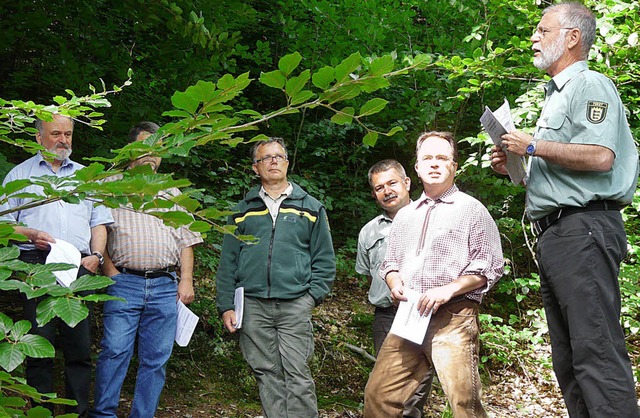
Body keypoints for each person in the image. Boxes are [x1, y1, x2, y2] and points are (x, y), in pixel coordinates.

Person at [491, 3, 640, 416]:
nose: (533, 38)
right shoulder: (554, 97)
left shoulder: (590, 85)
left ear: (572, 37)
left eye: (542, 30)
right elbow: (561, 171)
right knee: (570, 358)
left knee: (597, 351)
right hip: (557, 237)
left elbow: (600, 157)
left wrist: (533, 146)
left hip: (584, 231)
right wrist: (517, 165)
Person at [364, 132, 504, 418]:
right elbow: (389, 264)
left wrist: (449, 289)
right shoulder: (406, 215)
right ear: (416, 168)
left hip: (452, 316)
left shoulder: (471, 210)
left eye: (442, 158)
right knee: (378, 396)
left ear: (454, 165)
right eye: (427, 158)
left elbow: (490, 266)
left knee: (464, 403)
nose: (434, 164)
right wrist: (394, 282)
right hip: (409, 317)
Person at [0, 114, 113, 416]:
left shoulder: (86, 176)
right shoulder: (20, 175)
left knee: (79, 348)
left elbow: (99, 223)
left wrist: (97, 257)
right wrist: (31, 233)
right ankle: (42, 412)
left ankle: (79, 412)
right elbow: (5, 225)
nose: (63, 140)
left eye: (68, 134)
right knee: (40, 346)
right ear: (39, 137)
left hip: (80, 267)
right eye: (55, 134)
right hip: (36, 267)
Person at [216, 137, 336, 418]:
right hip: (253, 305)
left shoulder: (310, 207)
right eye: (265, 158)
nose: (273, 161)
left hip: (295, 303)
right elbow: (228, 261)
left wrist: (312, 296)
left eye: (278, 156)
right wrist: (226, 305)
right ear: (255, 168)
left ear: (287, 163)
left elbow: (324, 259)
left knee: (297, 372)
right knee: (266, 372)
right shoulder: (242, 210)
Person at [90, 122, 203, 418]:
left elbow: (187, 241)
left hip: (166, 285)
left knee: (156, 359)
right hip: (124, 283)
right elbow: (98, 230)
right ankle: (103, 414)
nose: (151, 156)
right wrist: (110, 272)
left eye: (158, 150)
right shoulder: (111, 187)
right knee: (115, 351)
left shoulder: (171, 191)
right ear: (130, 152)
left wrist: (186, 281)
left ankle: (143, 414)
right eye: (144, 149)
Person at [355, 159, 431, 418]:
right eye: (379, 188)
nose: (386, 191)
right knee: (386, 388)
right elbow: (368, 275)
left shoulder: (430, 219)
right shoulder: (369, 232)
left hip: (423, 313)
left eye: (392, 183)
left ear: (407, 183)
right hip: (386, 316)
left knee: (415, 392)